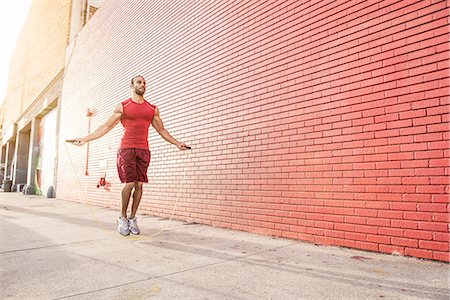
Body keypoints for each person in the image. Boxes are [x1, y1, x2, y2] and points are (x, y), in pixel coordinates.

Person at [71, 75, 190, 236]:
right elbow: (106, 127)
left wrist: (177, 143)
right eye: (139, 82)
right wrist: (85, 139)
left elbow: (162, 130)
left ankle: (133, 217)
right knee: (129, 183)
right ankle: (122, 216)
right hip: (126, 149)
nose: (143, 85)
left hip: (144, 150)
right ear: (132, 85)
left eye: (144, 82)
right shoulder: (123, 106)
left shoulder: (152, 109)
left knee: (139, 185)